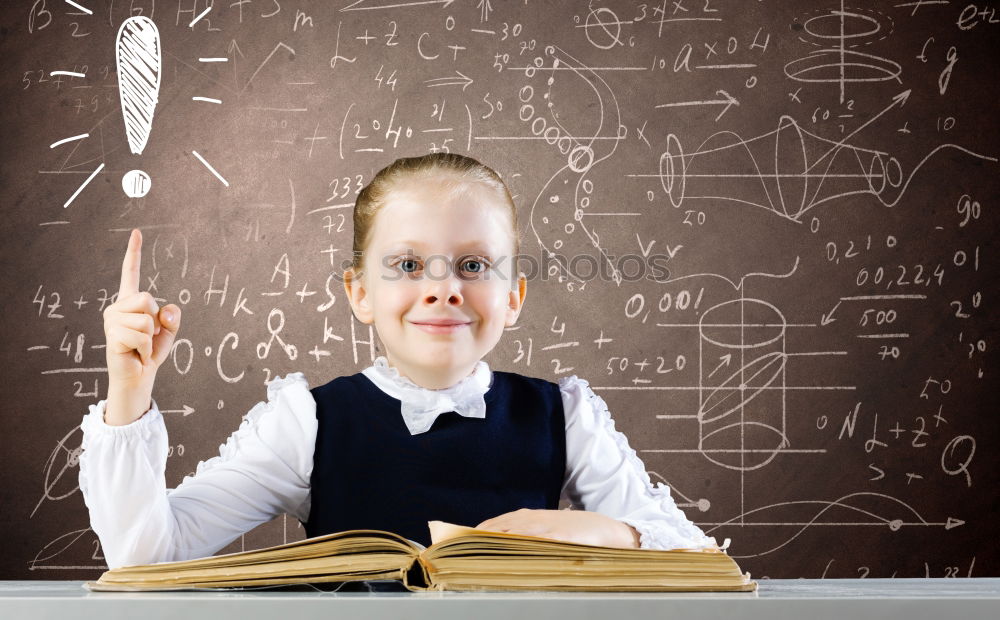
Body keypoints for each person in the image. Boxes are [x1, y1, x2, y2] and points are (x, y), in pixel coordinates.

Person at [79, 152, 719, 571]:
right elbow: (144, 555)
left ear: (514, 296)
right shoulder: (307, 422)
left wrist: (576, 531)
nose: (443, 288)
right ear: (360, 293)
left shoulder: (566, 415)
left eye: (473, 265)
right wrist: (129, 391)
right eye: (408, 265)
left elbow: (694, 558)